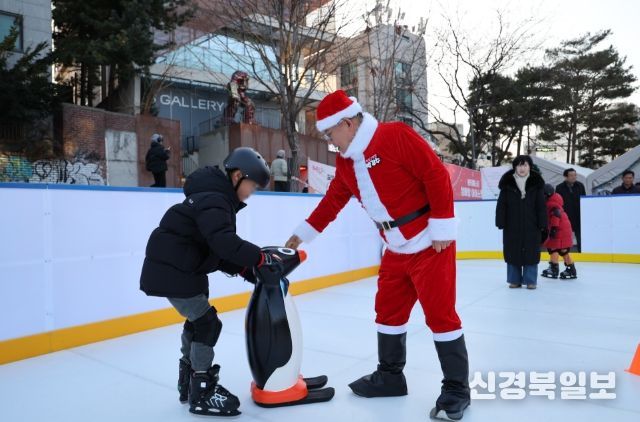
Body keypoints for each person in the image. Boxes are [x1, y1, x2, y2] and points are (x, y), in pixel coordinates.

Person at [284, 90, 470, 421]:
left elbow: (435, 174)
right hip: (395, 247)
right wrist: (302, 235)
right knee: (387, 311)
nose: (330, 141)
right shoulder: (345, 163)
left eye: (330, 133)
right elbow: (332, 202)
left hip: (430, 242)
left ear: (347, 123)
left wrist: (443, 225)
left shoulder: (394, 136)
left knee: (440, 315)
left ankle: (457, 389)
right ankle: (390, 376)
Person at [139, 147, 282, 417]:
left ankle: (188, 382)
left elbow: (215, 249)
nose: (251, 192)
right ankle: (202, 389)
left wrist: (247, 270)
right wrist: (260, 258)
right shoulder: (216, 200)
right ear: (238, 176)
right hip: (175, 271)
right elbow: (224, 242)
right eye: (252, 185)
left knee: (198, 322)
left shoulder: (212, 197)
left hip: (179, 270)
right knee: (207, 323)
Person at [495, 155, 547, 290]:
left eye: (525, 165)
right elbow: (501, 205)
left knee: (531, 252)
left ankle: (530, 280)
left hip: (532, 225)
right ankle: (514, 280)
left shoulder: (536, 184)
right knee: (513, 251)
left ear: (529, 167)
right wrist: (500, 220)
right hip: (512, 225)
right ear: (515, 167)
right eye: (519, 165)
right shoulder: (507, 184)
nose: (522, 168)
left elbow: (541, 206)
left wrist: (543, 223)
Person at [541, 184, 577, 279]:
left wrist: (553, 229)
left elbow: (556, 215)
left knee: (553, 248)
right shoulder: (555, 200)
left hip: (558, 229)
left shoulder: (551, 203)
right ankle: (571, 269)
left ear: (547, 194)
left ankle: (554, 269)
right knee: (562, 250)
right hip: (563, 228)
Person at [555, 168, 586, 251]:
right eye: (571, 175)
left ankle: (582, 252)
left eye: (575, 175)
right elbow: (558, 203)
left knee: (580, 237)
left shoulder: (580, 185)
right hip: (566, 217)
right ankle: (565, 253)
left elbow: (584, 200)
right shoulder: (559, 188)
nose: (574, 177)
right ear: (565, 177)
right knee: (565, 237)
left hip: (579, 216)